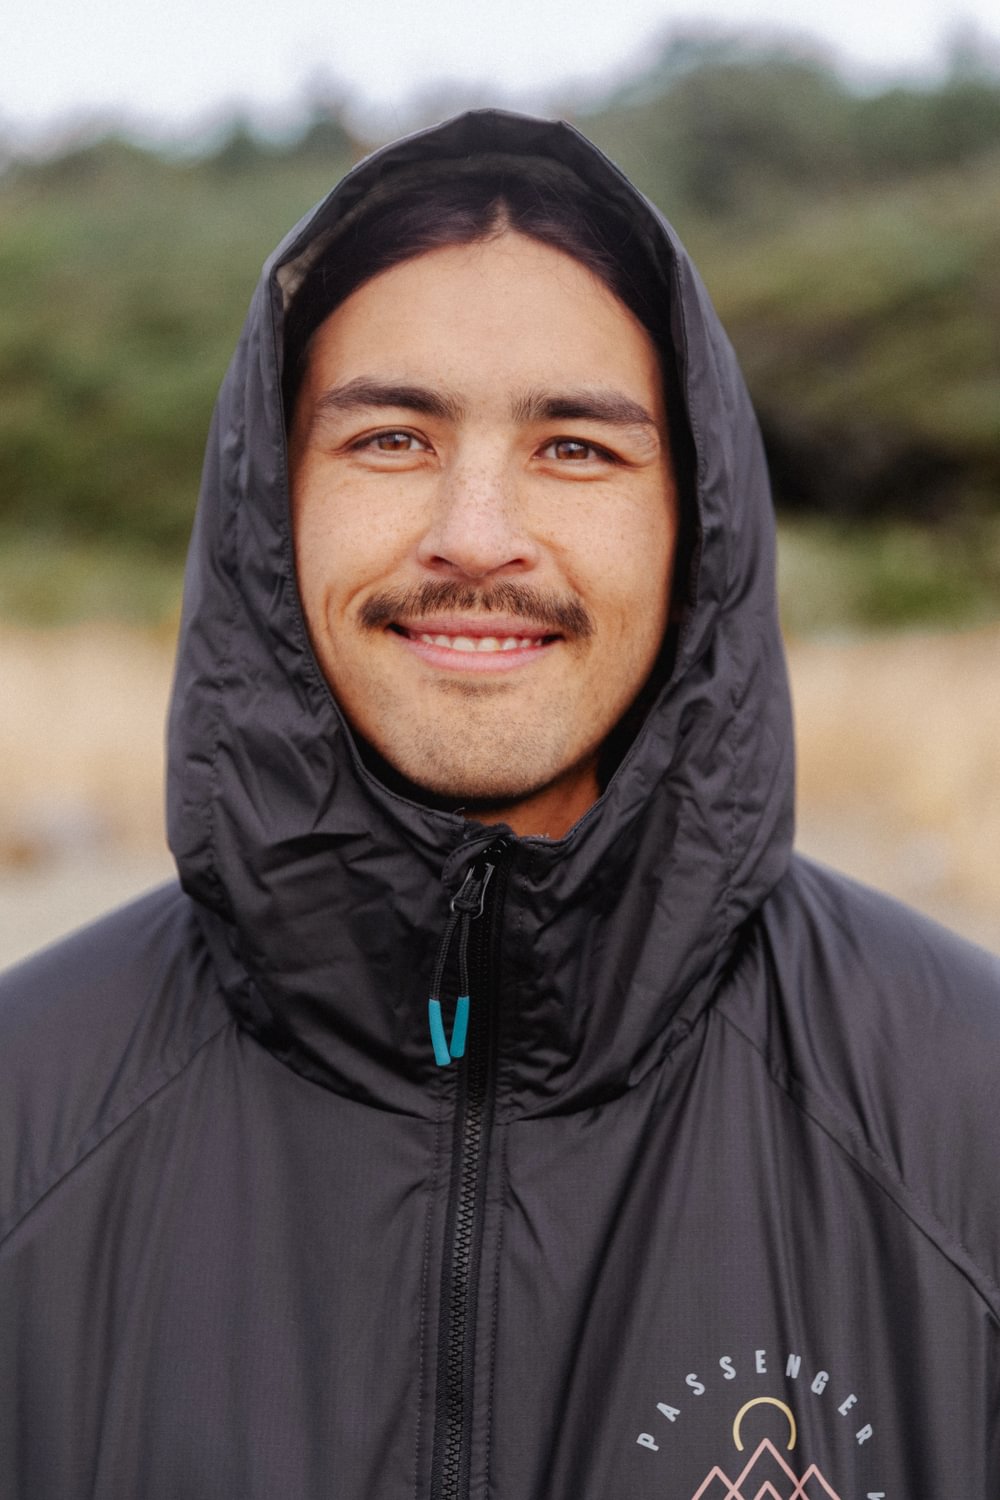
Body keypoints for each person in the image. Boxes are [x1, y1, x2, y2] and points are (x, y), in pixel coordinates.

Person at [1, 108, 998, 1500]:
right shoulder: (25, 1114)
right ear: (270, 502)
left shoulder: (966, 1114)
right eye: (391, 438)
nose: (476, 534)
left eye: (576, 448)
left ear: (697, 520)